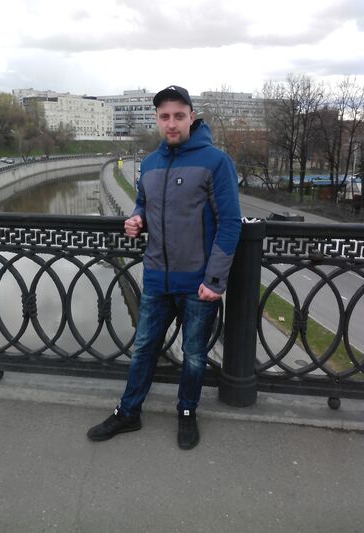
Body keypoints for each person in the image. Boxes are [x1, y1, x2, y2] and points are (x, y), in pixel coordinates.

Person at [87, 85, 241, 450]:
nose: (171, 124)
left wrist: (215, 280)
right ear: (157, 120)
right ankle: (128, 412)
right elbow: (143, 203)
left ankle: (187, 411)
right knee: (143, 348)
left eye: (179, 116)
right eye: (165, 117)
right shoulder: (151, 163)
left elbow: (230, 223)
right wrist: (136, 218)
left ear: (191, 117)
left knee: (194, 355)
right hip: (156, 277)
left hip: (198, 283)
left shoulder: (215, 161)